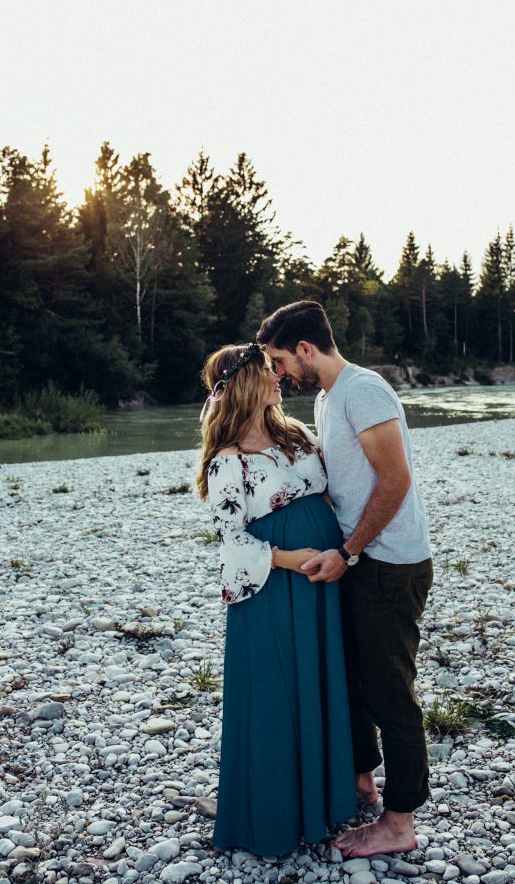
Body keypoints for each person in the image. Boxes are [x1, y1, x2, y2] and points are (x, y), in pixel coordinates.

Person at [257, 301, 433, 858]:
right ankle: (363, 782)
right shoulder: (331, 399)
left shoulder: (364, 390)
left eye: (281, 361)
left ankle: (400, 822)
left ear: (306, 350)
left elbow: (396, 480)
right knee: (354, 679)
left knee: (389, 691)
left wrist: (348, 552)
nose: (279, 373)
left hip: (390, 562)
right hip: (362, 559)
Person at [196, 341, 357, 856]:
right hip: (274, 589)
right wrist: (291, 558)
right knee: (278, 694)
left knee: (323, 682)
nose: (278, 378)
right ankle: (276, 812)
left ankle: (326, 801)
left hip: (323, 582)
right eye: (269, 371)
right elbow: (231, 540)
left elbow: (330, 491)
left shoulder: (295, 433)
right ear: (245, 383)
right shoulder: (228, 460)